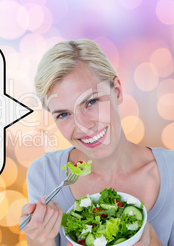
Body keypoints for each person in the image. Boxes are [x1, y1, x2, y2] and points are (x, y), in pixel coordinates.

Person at [20, 39, 174, 246]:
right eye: (64, 114)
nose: (83, 126)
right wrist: (39, 237)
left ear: (117, 91)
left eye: (91, 102)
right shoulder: (45, 174)